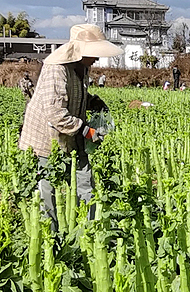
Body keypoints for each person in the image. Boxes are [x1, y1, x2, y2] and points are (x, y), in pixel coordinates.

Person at [18, 24, 121, 231]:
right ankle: (50, 236)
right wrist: (87, 131)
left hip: (72, 136)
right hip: (45, 139)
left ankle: (90, 230)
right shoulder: (56, 69)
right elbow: (55, 113)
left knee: (85, 180)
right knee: (47, 189)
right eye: (94, 53)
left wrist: (92, 101)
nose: (97, 59)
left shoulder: (82, 67)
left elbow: (74, 95)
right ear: (81, 51)